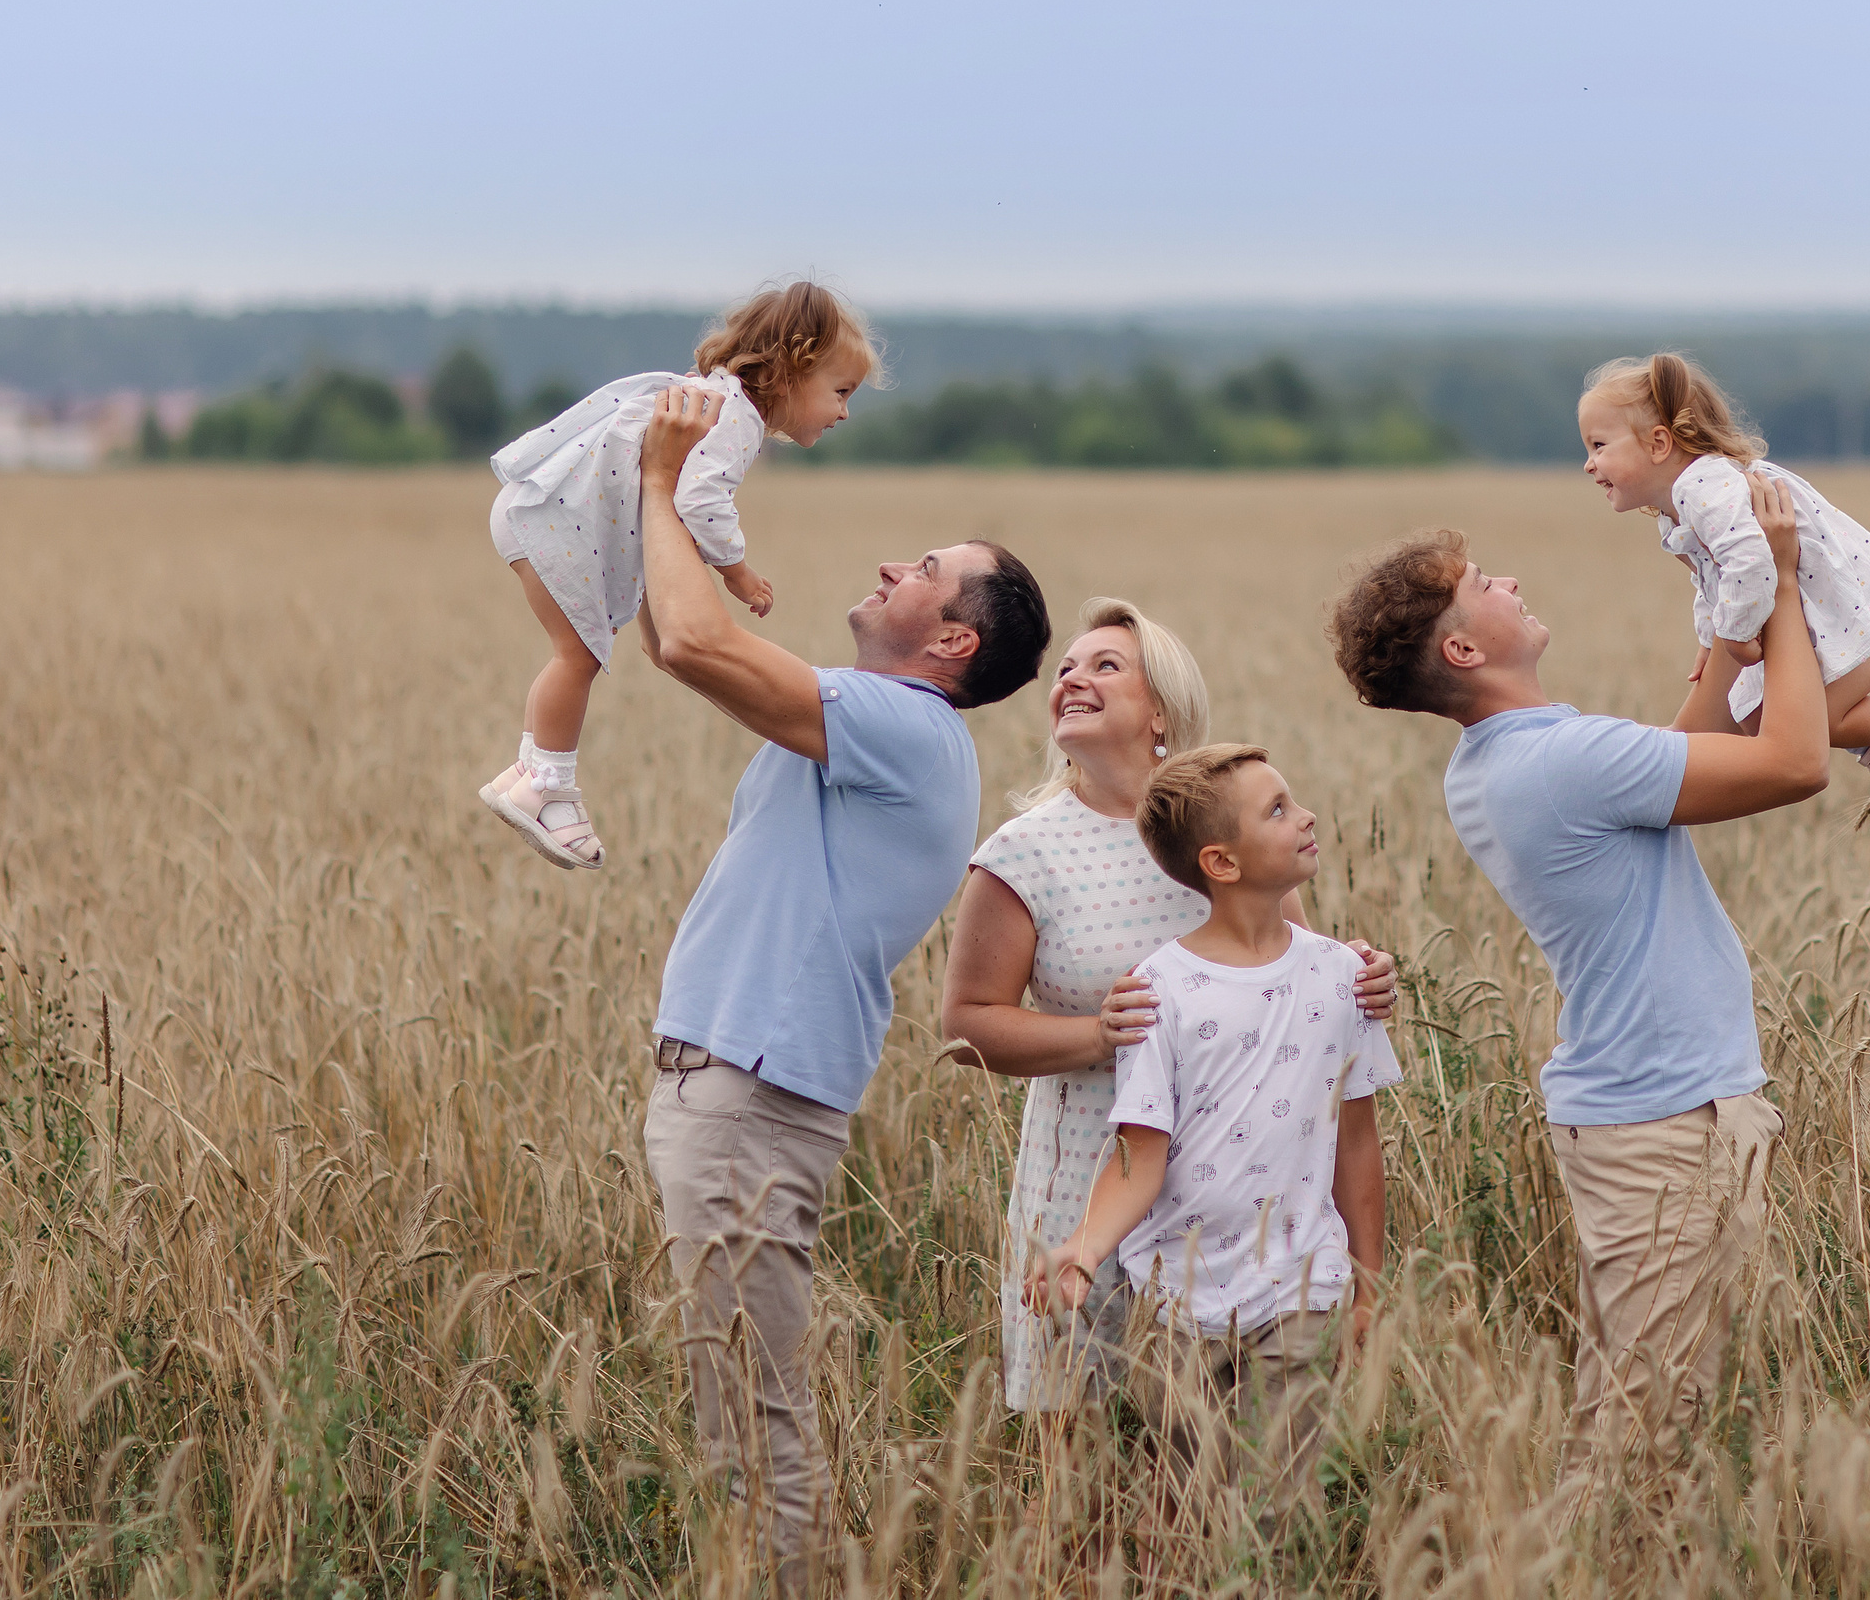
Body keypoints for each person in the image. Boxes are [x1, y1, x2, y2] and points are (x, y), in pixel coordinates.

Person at [1323, 474, 1820, 1497]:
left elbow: (1681, 759)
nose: (1506, 579)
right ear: (1463, 649)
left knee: (1653, 1406)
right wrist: (1781, 592)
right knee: (1641, 1432)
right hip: (1661, 1123)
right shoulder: (1560, 762)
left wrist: (1731, 633)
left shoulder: (1514, 757)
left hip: (1649, 1109)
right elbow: (1796, 761)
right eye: (1479, 584)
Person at [630, 381, 1050, 1589]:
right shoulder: (878, 725)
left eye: (923, 565)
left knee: (750, 1418)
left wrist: (664, 483)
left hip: (750, 1093)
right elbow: (688, 638)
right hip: (739, 1085)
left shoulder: (904, 726)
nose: (888, 563)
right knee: (738, 1403)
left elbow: (694, 642)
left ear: (952, 640)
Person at [939, 598, 1397, 1416]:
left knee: (1209, 1467)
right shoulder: (1025, 851)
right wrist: (1096, 1032)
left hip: (1240, 1209)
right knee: (1087, 1464)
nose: (1073, 677)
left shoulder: (1221, 834)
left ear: (1162, 709)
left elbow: (1292, 982)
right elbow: (967, 1026)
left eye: (1105, 664)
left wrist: (1364, 977)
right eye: (1067, 667)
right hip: (1089, 1174)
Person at [1024, 744, 1401, 1548]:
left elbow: (1357, 1145)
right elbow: (1139, 1154)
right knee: (1188, 1509)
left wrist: (1367, 1280)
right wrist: (1083, 1251)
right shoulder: (1159, 987)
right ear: (1221, 861)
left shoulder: (1344, 977)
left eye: (1293, 801)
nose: (1304, 817)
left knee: (1276, 1509)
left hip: (1304, 1285)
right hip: (1176, 1301)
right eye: (1277, 809)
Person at [479, 282, 876, 868]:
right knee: (577, 657)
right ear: (794, 367)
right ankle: (547, 788)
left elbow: (653, 513)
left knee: (574, 653)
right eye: (840, 391)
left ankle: (530, 768)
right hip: (550, 520)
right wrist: (737, 573)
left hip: (539, 509)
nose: (845, 410)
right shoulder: (733, 420)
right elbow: (699, 501)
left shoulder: (711, 399)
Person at [1578, 352, 1870, 818]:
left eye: (1598, 446)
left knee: (1810, 724)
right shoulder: (1684, 502)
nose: (1589, 465)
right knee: (1754, 719)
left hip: (1869, 612)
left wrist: (1733, 633)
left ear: (1657, 444)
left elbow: (1751, 561)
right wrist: (1710, 636)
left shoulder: (1704, 488)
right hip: (1827, 618)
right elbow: (1712, 579)